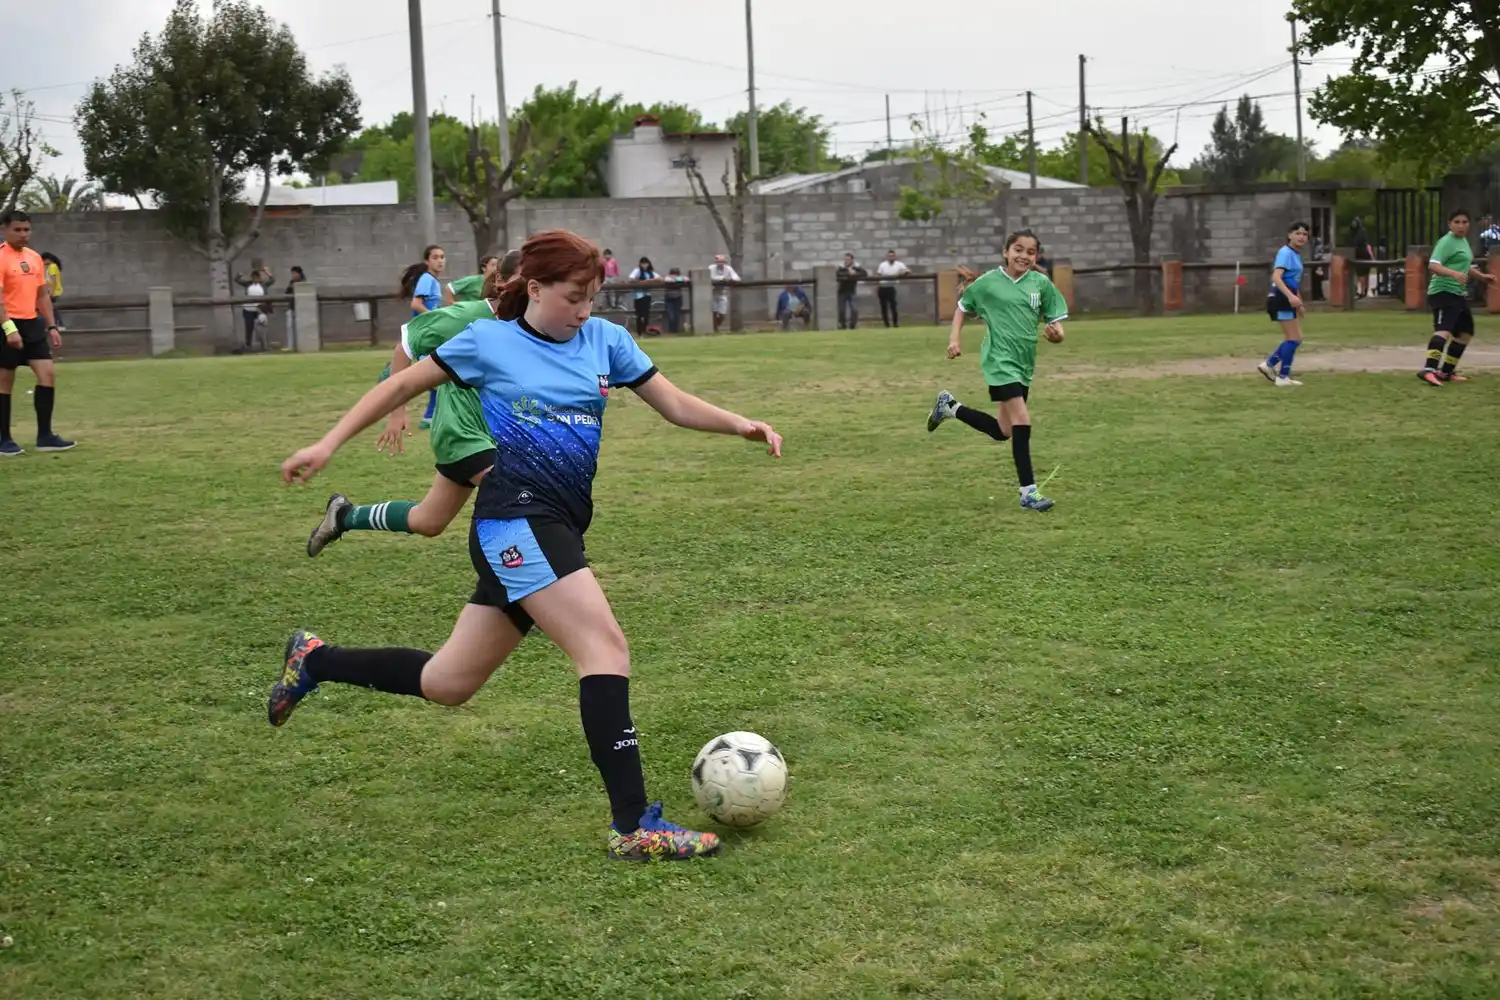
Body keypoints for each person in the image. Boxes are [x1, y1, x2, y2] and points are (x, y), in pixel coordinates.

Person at [271, 228, 784, 862]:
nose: (585, 310)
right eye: (574, 296)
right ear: (534, 288)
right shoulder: (489, 340)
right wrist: (327, 443)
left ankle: (315, 660)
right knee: (604, 649)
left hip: (557, 526)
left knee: (448, 681)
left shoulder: (606, 341)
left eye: (593, 297)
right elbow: (399, 386)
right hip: (514, 522)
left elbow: (672, 403)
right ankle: (633, 826)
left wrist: (741, 424)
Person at [306, 256, 522, 557]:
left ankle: (343, 516)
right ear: (502, 282)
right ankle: (513, 573)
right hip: (461, 431)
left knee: (429, 521)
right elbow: (406, 344)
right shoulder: (468, 316)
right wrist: (398, 412)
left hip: (489, 434)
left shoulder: (529, 327)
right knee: (516, 494)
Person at [924, 228, 1066, 513]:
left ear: (1036, 256)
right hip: (999, 361)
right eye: (1018, 249)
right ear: (1006, 251)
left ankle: (950, 407)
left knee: (1004, 431)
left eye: (1030, 251)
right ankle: (1028, 492)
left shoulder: (1041, 283)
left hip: (1024, 363)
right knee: (1023, 420)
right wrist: (954, 339)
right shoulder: (988, 282)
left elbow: (1057, 325)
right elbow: (963, 307)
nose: (1023, 255)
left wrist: (1056, 335)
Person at [0, 210, 72, 456]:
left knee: (47, 374)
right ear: (5, 230)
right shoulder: (1, 257)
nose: (23, 234)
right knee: (4, 382)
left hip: (33, 324)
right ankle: (4, 440)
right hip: (6, 324)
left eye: (26, 230)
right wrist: (9, 329)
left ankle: (45, 436)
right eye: (17, 230)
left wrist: (51, 326)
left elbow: (42, 295)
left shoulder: (35, 258)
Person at [1419, 208, 1497, 386]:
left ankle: (1446, 372)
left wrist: (1482, 277)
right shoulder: (1446, 242)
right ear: (1450, 224)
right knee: (1444, 329)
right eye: (1457, 222)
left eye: (1464, 222)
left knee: (1465, 332)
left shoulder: (1462, 242)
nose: (1461, 226)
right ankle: (1429, 369)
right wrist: (1453, 274)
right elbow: (1434, 265)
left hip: (1457, 293)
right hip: (1443, 292)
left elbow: (1464, 266)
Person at [1257, 221, 1310, 388]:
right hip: (1281, 299)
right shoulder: (1285, 253)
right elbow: (1277, 277)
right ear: (1289, 235)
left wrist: (1299, 302)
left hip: (1287, 298)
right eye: (1298, 233)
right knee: (1293, 339)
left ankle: (1270, 365)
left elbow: (1294, 282)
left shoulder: (1295, 255)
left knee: (1295, 338)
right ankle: (1282, 376)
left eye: (1305, 234)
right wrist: (1290, 297)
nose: (1302, 237)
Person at [402, 245, 447, 428]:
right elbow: (416, 304)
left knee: (439, 374)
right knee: (436, 375)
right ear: (427, 261)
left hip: (431, 333)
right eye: (435, 257)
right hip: (425, 334)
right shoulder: (427, 279)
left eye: (442, 257)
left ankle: (430, 417)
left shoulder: (432, 281)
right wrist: (434, 317)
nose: (440, 260)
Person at [234, 265, 273, 354]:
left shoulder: (263, 285)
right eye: (254, 277)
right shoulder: (248, 284)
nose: (255, 279)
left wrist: (267, 272)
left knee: (261, 327)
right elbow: (237, 280)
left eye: (257, 277)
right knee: (249, 327)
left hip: (260, 309)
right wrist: (241, 273)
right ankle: (248, 345)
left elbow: (272, 280)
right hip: (248, 309)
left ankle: (264, 345)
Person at [875, 250, 910, 328]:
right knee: (884, 307)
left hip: (891, 287)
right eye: (890, 256)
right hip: (882, 287)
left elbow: (907, 271)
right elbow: (878, 275)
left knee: (893, 306)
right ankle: (886, 324)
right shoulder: (882, 265)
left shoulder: (899, 264)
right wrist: (877, 287)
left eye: (892, 256)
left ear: (895, 256)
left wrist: (902, 273)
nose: (891, 257)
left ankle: (895, 323)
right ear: (887, 257)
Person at [708, 254, 739, 332]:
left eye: (722, 262)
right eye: (718, 262)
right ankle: (714, 329)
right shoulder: (711, 268)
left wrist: (731, 280)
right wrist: (722, 279)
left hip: (723, 293)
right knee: (714, 312)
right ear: (716, 262)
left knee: (722, 313)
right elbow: (709, 278)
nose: (720, 263)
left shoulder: (728, 269)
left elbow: (736, 277)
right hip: (713, 292)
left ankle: (716, 325)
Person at [628, 256, 658, 336]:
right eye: (643, 264)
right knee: (639, 314)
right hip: (638, 296)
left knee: (646, 314)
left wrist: (651, 281)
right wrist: (641, 282)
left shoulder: (650, 272)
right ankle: (639, 332)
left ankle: (645, 330)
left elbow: (659, 278)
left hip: (647, 295)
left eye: (646, 264)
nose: (645, 265)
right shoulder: (637, 270)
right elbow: (631, 279)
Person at [836, 253, 867, 329]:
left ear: (852, 260)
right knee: (842, 310)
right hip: (842, 291)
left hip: (852, 291)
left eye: (848, 259)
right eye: (845, 259)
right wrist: (848, 273)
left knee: (854, 309)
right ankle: (842, 325)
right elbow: (838, 274)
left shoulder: (856, 267)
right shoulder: (841, 267)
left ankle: (853, 325)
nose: (846, 261)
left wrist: (855, 273)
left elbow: (864, 273)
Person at [40, 252, 63, 331]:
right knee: (51, 308)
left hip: (53, 291)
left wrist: (51, 292)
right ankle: (55, 324)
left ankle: (59, 324)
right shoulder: (51, 267)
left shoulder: (52, 266)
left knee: (52, 308)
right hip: (52, 291)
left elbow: (53, 280)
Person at [663, 267, 687, 333]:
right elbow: (667, 280)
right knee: (671, 315)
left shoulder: (680, 278)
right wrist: (676, 280)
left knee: (676, 315)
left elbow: (686, 279)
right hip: (669, 298)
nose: (674, 276)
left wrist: (676, 279)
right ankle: (671, 330)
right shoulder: (667, 278)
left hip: (677, 297)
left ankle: (675, 330)